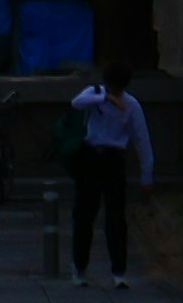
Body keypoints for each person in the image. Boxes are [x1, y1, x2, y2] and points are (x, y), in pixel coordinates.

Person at [62, 61, 154, 288]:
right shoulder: (95, 94)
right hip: (90, 156)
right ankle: (79, 267)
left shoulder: (131, 104)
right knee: (84, 214)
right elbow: (76, 102)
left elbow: (142, 140)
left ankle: (119, 271)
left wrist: (147, 174)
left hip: (114, 158)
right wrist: (105, 98)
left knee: (116, 217)